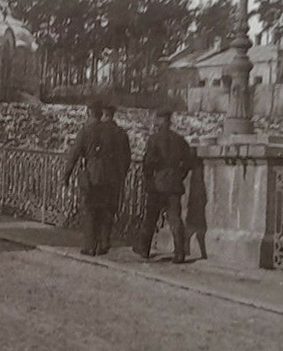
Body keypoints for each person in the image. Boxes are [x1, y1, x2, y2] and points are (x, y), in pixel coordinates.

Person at [60, 98, 130, 256]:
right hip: (112, 177)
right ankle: (104, 243)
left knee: (90, 210)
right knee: (106, 210)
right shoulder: (116, 132)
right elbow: (125, 158)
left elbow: (74, 155)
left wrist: (66, 176)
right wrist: (121, 175)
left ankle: (90, 246)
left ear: (89, 113)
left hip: (92, 176)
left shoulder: (86, 131)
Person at [135, 107, 194, 264]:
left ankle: (144, 250)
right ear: (170, 121)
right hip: (174, 185)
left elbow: (148, 163)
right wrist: (178, 176)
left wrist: (149, 178)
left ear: (160, 121)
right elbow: (188, 163)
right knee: (175, 219)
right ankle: (180, 253)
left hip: (157, 185)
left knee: (150, 218)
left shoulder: (154, 140)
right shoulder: (180, 140)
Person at [97, 102, 134, 254]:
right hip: (115, 178)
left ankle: (97, 241)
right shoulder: (121, 133)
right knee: (110, 209)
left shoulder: (97, 131)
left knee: (97, 208)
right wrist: (121, 174)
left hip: (98, 177)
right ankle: (105, 240)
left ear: (103, 114)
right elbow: (127, 158)